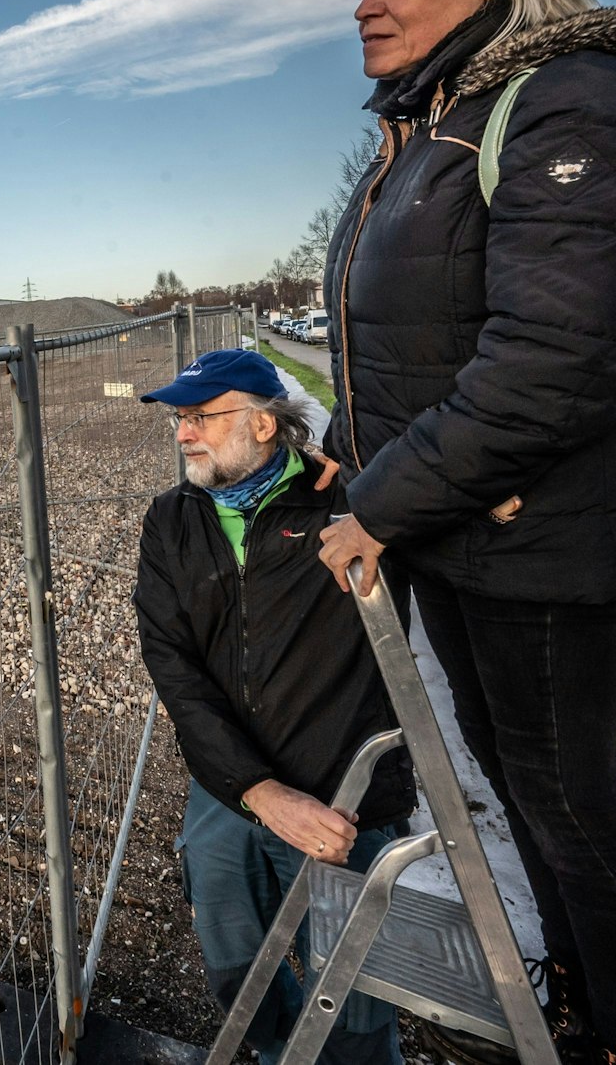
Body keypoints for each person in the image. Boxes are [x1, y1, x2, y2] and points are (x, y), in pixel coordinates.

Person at [315, 0, 616, 1065]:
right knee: (521, 786)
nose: (363, 5)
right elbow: (405, 340)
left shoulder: (579, 99)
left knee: (569, 806)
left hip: (536, 527)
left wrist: (380, 503)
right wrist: (346, 453)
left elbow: (556, 358)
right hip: (462, 522)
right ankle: (579, 1008)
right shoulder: (431, 123)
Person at [134, 348, 414, 1065]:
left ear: (264, 424)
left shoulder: (349, 508)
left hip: (342, 795)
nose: (182, 432)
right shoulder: (171, 521)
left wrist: (359, 481)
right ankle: (277, 1052)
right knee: (236, 972)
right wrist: (257, 791)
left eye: (200, 416)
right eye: (178, 417)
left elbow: (422, 446)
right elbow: (174, 667)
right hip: (227, 792)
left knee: (353, 1001)